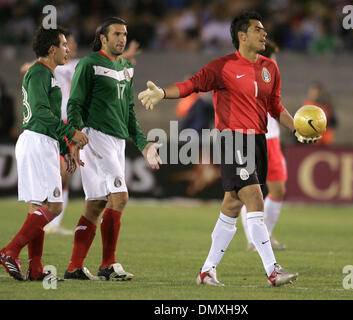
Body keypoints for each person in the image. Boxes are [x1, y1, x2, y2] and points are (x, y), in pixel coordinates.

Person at [138, 11, 319, 287]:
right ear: (242, 36)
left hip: (257, 141)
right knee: (255, 199)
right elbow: (191, 85)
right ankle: (273, 270)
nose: (264, 34)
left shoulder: (271, 68)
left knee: (232, 205)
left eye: (264, 30)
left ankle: (207, 271)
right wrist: (162, 92)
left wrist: (296, 128)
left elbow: (275, 108)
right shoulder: (222, 67)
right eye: (258, 30)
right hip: (234, 140)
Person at [64, 17, 162, 281]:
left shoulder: (127, 68)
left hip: (117, 141)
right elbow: (74, 104)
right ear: (103, 38)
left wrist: (143, 144)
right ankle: (108, 264)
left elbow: (129, 112)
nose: (122, 39)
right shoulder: (89, 64)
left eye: (125, 34)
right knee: (120, 197)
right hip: (95, 137)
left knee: (96, 204)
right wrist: (75, 137)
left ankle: (74, 268)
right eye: (116, 34)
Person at [20, 34, 142, 236]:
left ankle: (52, 223)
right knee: (59, 175)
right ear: (54, 48)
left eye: (72, 43)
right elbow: (30, 70)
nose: (72, 46)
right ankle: (44, 222)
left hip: (69, 124)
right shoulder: (53, 67)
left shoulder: (76, 64)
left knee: (65, 175)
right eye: (67, 43)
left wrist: (124, 57)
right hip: (57, 126)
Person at [0, 26, 88, 281]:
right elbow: (40, 113)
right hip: (37, 142)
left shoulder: (46, 73)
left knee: (38, 207)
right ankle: (11, 250)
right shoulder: (39, 72)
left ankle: (36, 268)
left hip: (43, 142)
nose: (68, 49)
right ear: (52, 49)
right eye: (64, 45)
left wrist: (64, 149)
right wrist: (70, 134)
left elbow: (47, 116)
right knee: (55, 205)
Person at [240, 40, 287, 251]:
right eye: (273, 58)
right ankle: (253, 239)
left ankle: (264, 235)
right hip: (253, 139)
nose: (276, 63)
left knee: (278, 190)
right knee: (249, 193)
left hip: (273, 139)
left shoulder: (270, 76)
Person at [303, 81, 338, 146]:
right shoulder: (305, 107)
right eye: (312, 92)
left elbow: (334, 123)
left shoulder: (327, 107)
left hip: (326, 141)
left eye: (316, 92)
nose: (313, 94)